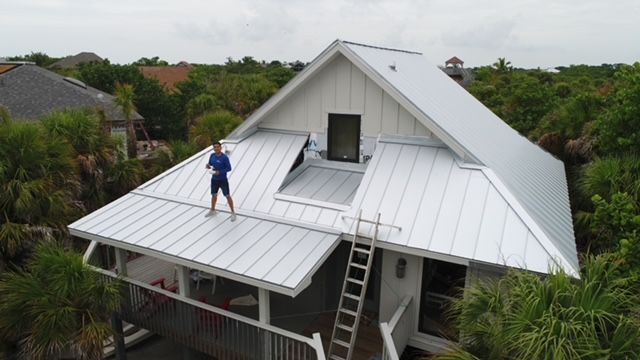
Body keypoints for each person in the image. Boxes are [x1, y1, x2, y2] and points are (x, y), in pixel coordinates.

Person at [205, 141, 236, 221]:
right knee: (213, 195)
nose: (216, 148)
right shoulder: (212, 155)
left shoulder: (224, 157)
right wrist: (208, 166)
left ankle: (233, 212)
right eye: (214, 147)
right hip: (214, 179)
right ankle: (212, 210)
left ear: (220, 147)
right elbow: (210, 164)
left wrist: (220, 172)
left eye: (217, 147)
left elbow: (229, 168)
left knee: (227, 195)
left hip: (223, 180)